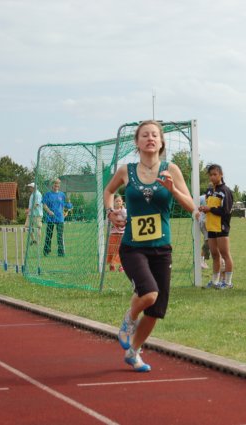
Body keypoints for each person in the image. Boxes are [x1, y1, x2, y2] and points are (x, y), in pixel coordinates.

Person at [103, 120, 197, 372]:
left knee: (156, 310)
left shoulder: (171, 169)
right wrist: (111, 211)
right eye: (144, 135)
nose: (150, 138)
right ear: (137, 142)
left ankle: (133, 352)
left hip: (161, 247)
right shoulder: (126, 170)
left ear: (161, 141)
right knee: (149, 294)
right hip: (133, 246)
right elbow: (109, 191)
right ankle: (129, 320)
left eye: (155, 135)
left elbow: (191, 206)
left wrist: (173, 190)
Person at [199, 164, 234, 289]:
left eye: (215, 174)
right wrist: (204, 209)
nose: (212, 177)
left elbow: (226, 211)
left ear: (221, 174)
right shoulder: (209, 191)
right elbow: (209, 207)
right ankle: (215, 281)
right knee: (214, 255)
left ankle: (228, 282)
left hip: (221, 226)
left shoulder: (225, 191)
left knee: (225, 254)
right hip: (210, 226)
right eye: (210, 175)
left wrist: (210, 209)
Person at [42, 178, 72, 257]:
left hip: (60, 218)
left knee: (60, 236)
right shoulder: (48, 194)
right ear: (52, 185)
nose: (56, 185)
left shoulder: (62, 195)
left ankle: (61, 253)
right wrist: (49, 211)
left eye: (58, 184)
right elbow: (44, 204)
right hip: (50, 218)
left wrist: (66, 211)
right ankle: (46, 251)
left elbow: (68, 206)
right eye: (55, 183)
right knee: (49, 235)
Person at [106, 195, 127, 272]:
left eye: (120, 201)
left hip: (122, 234)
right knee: (112, 250)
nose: (118, 202)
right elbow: (107, 222)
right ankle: (112, 264)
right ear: (113, 203)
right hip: (114, 234)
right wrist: (111, 224)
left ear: (122, 202)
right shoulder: (111, 212)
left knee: (121, 250)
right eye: (116, 201)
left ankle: (122, 266)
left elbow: (127, 219)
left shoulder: (124, 211)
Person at [198, 194, 210, 269]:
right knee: (208, 241)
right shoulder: (202, 198)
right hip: (204, 222)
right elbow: (194, 205)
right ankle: (201, 260)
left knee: (208, 241)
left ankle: (202, 260)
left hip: (207, 222)